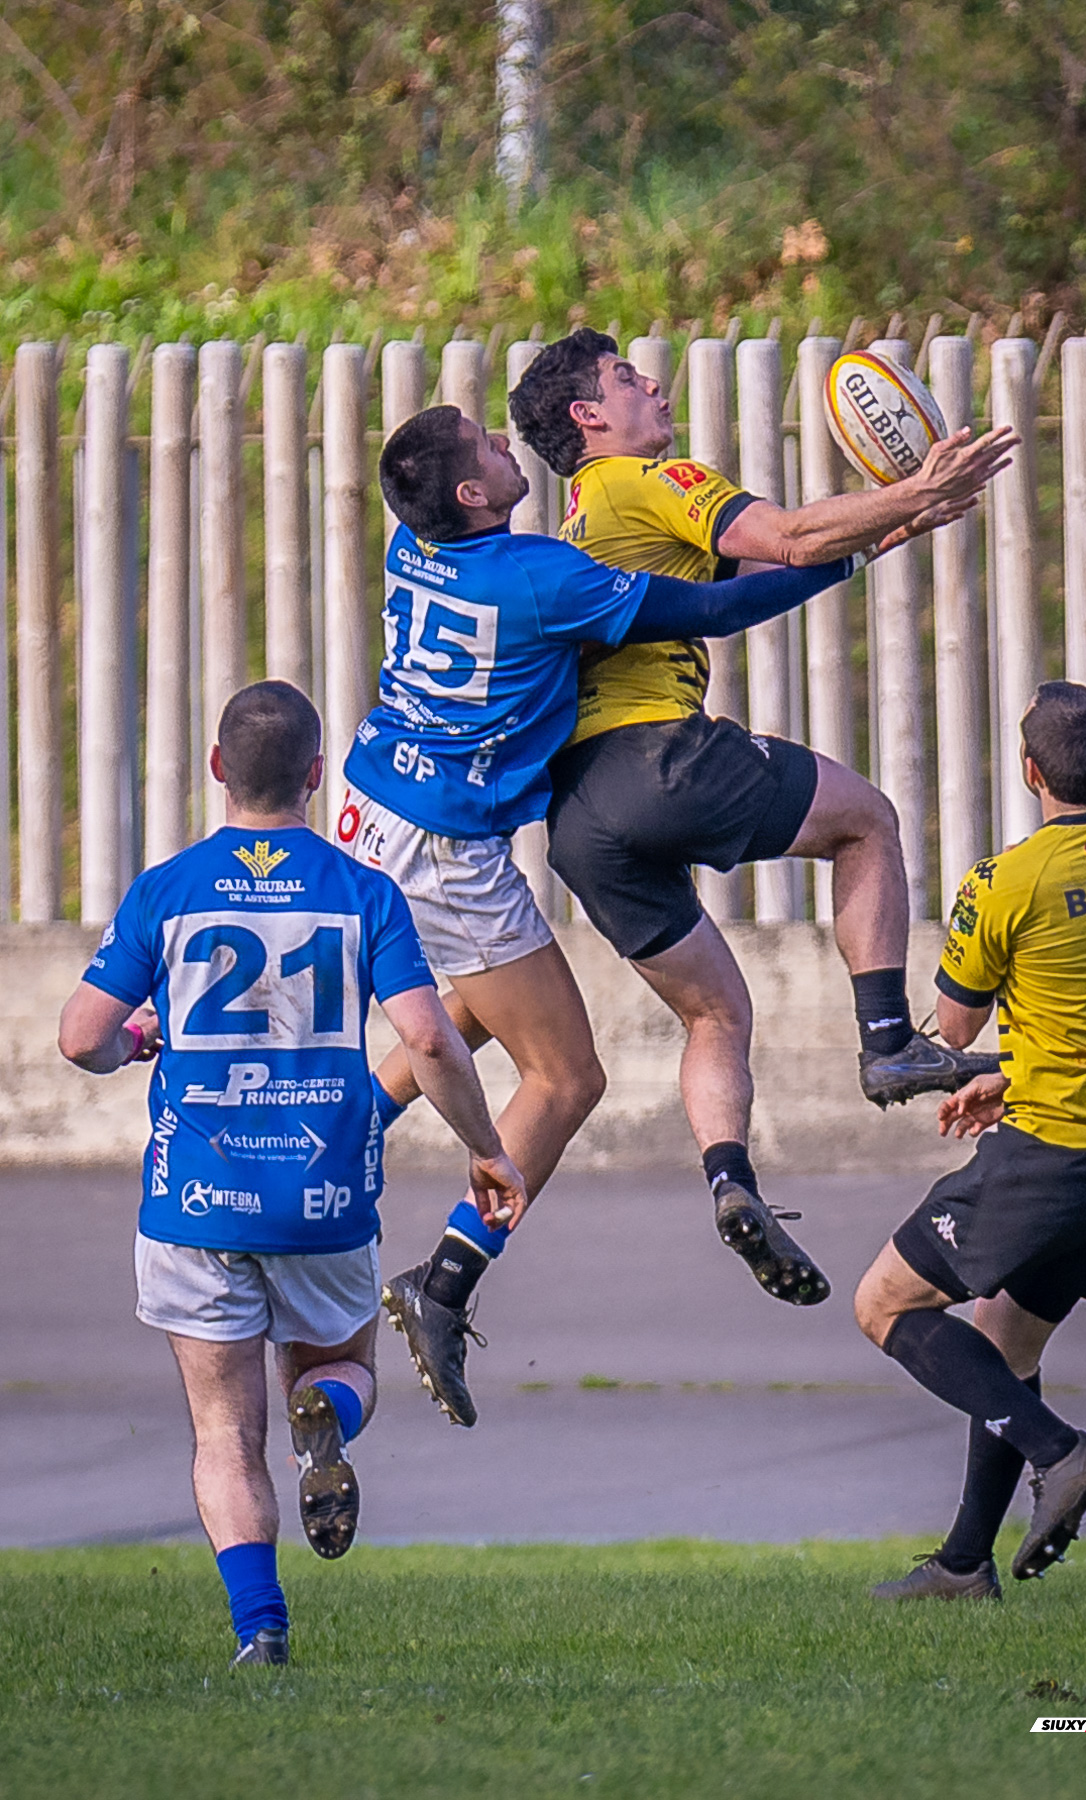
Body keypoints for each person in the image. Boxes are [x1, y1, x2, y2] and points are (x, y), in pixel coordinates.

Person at [342, 401, 934, 1427]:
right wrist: (855, 551)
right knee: (566, 1076)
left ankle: (332, 1137)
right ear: (474, 496)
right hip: (443, 843)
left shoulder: (413, 543)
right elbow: (709, 614)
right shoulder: (538, 577)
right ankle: (442, 1284)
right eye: (486, 448)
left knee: (481, 1009)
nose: (501, 446)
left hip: (365, 802)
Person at [507, 329, 1011, 1301]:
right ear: (588, 418)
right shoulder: (651, 479)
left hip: (577, 822)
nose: (648, 384)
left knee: (714, 1011)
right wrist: (914, 489)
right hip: (658, 758)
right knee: (865, 820)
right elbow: (780, 536)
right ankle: (885, 1041)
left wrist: (881, 532)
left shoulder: (588, 523)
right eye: (623, 378)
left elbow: (753, 581)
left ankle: (731, 1186)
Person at [58, 680, 523, 1666]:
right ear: (316, 777)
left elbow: (79, 1040)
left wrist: (138, 1039)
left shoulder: (166, 890)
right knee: (347, 1366)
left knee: (225, 1432)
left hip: (192, 1204)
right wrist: (484, 1146)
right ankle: (331, 1415)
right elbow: (429, 1040)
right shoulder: (361, 892)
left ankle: (260, 1633)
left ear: (219, 768)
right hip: (323, 1199)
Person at [854, 681, 1086, 1599]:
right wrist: (1015, 1074)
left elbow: (943, 1034)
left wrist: (920, 1056)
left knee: (883, 1305)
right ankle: (964, 1566)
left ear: (1029, 771)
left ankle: (1061, 1452)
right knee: (1007, 1351)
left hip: (1051, 1159)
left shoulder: (1005, 882)